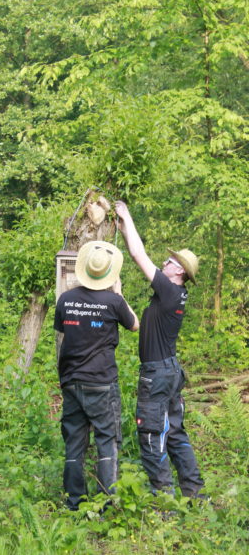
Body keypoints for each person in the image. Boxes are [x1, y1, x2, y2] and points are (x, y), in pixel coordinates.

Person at [115, 200, 205, 498]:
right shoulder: (173, 294)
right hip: (169, 371)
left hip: (157, 374)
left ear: (179, 271)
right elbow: (133, 252)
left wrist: (127, 216)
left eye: (169, 262)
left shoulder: (170, 290)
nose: (164, 263)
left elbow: (139, 255)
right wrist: (124, 229)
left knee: (152, 433)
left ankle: (164, 500)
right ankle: (194, 493)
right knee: (175, 432)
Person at [54, 240, 139, 510]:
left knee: (75, 442)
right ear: (108, 274)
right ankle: (106, 503)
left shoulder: (65, 299)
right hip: (101, 381)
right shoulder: (114, 301)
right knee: (107, 440)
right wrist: (119, 293)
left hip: (71, 380)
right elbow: (135, 325)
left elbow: (63, 331)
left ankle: (74, 503)